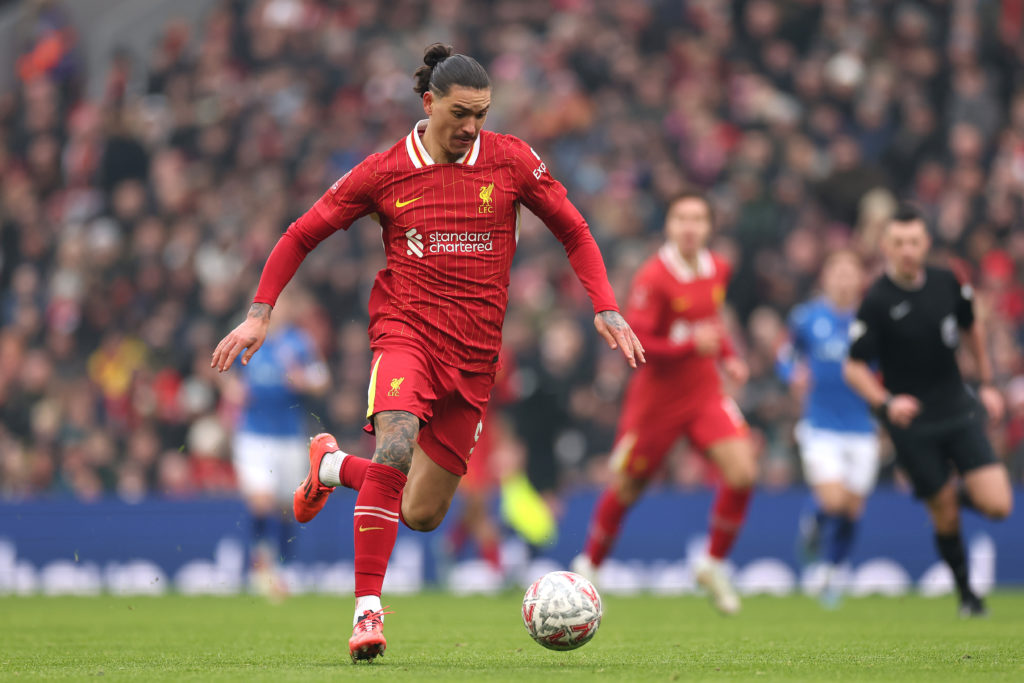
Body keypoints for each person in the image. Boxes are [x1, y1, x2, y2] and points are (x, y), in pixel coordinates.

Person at [210, 43, 645, 662]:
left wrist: (604, 303)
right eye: (461, 113)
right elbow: (302, 232)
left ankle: (331, 467)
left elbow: (573, 227)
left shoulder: (511, 161)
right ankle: (367, 614)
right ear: (429, 102)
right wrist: (259, 313)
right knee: (393, 446)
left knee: (421, 512)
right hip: (406, 336)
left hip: (474, 360)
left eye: (482, 114)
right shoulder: (386, 170)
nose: (471, 127)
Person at [572, 191, 756, 615]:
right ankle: (590, 566)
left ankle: (712, 563)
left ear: (709, 226)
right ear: (669, 226)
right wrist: (692, 344)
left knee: (743, 472)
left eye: (698, 218)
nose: (690, 227)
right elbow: (639, 342)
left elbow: (713, 322)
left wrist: (729, 358)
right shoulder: (653, 277)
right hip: (657, 403)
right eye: (681, 218)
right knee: (629, 487)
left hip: (705, 394)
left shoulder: (717, 268)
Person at [843, 204, 1013, 617]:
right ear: (885, 245)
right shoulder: (877, 300)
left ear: (926, 243)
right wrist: (886, 401)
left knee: (998, 505)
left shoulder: (946, 281)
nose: (906, 250)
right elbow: (853, 366)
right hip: (911, 421)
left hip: (956, 406)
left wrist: (987, 383)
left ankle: (945, 492)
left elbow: (973, 325)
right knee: (945, 516)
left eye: (914, 242)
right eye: (898, 242)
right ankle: (968, 597)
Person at [776, 250, 878, 607]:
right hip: (820, 424)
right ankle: (814, 522)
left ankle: (830, 573)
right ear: (826, 277)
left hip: (863, 425)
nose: (844, 280)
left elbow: (884, 367)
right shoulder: (806, 317)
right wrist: (793, 374)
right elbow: (785, 356)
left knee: (852, 509)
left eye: (851, 273)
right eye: (838, 272)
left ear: (860, 279)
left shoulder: (871, 319)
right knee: (833, 500)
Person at [225, 291, 329, 598]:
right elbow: (225, 373)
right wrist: (232, 388)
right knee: (261, 501)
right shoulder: (246, 337)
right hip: (254, 435)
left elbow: (322, 380)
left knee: (287, 509)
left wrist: (304, 381)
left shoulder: (299, 343)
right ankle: (261, 567)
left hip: (290, 437)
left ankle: (283, 570)